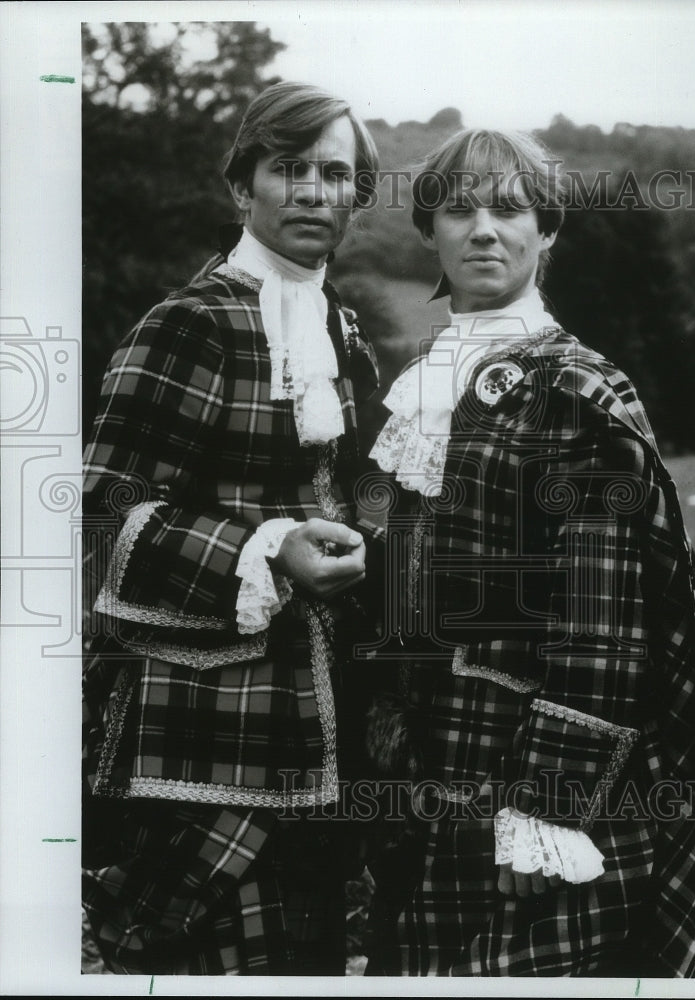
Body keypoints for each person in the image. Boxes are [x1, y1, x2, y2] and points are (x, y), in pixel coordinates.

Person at [365, 128, 695, 977]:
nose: (483, 229)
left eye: (510, 209)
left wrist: (547, 809)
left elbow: (604, 626)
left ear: (546, 231)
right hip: (432, 771)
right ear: (430, 234)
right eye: (459, 210)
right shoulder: (423, 379)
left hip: (536, 782)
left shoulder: (575, 387)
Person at [81, 81, 382, 975]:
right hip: (204, 722)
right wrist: (263, 550)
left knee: (308, 957)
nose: (313, 192)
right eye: (288, 168)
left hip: (323, 727)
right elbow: (100, 511)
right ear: (239, 187)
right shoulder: (189, 324)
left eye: (336, 173)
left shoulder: (342, 330)